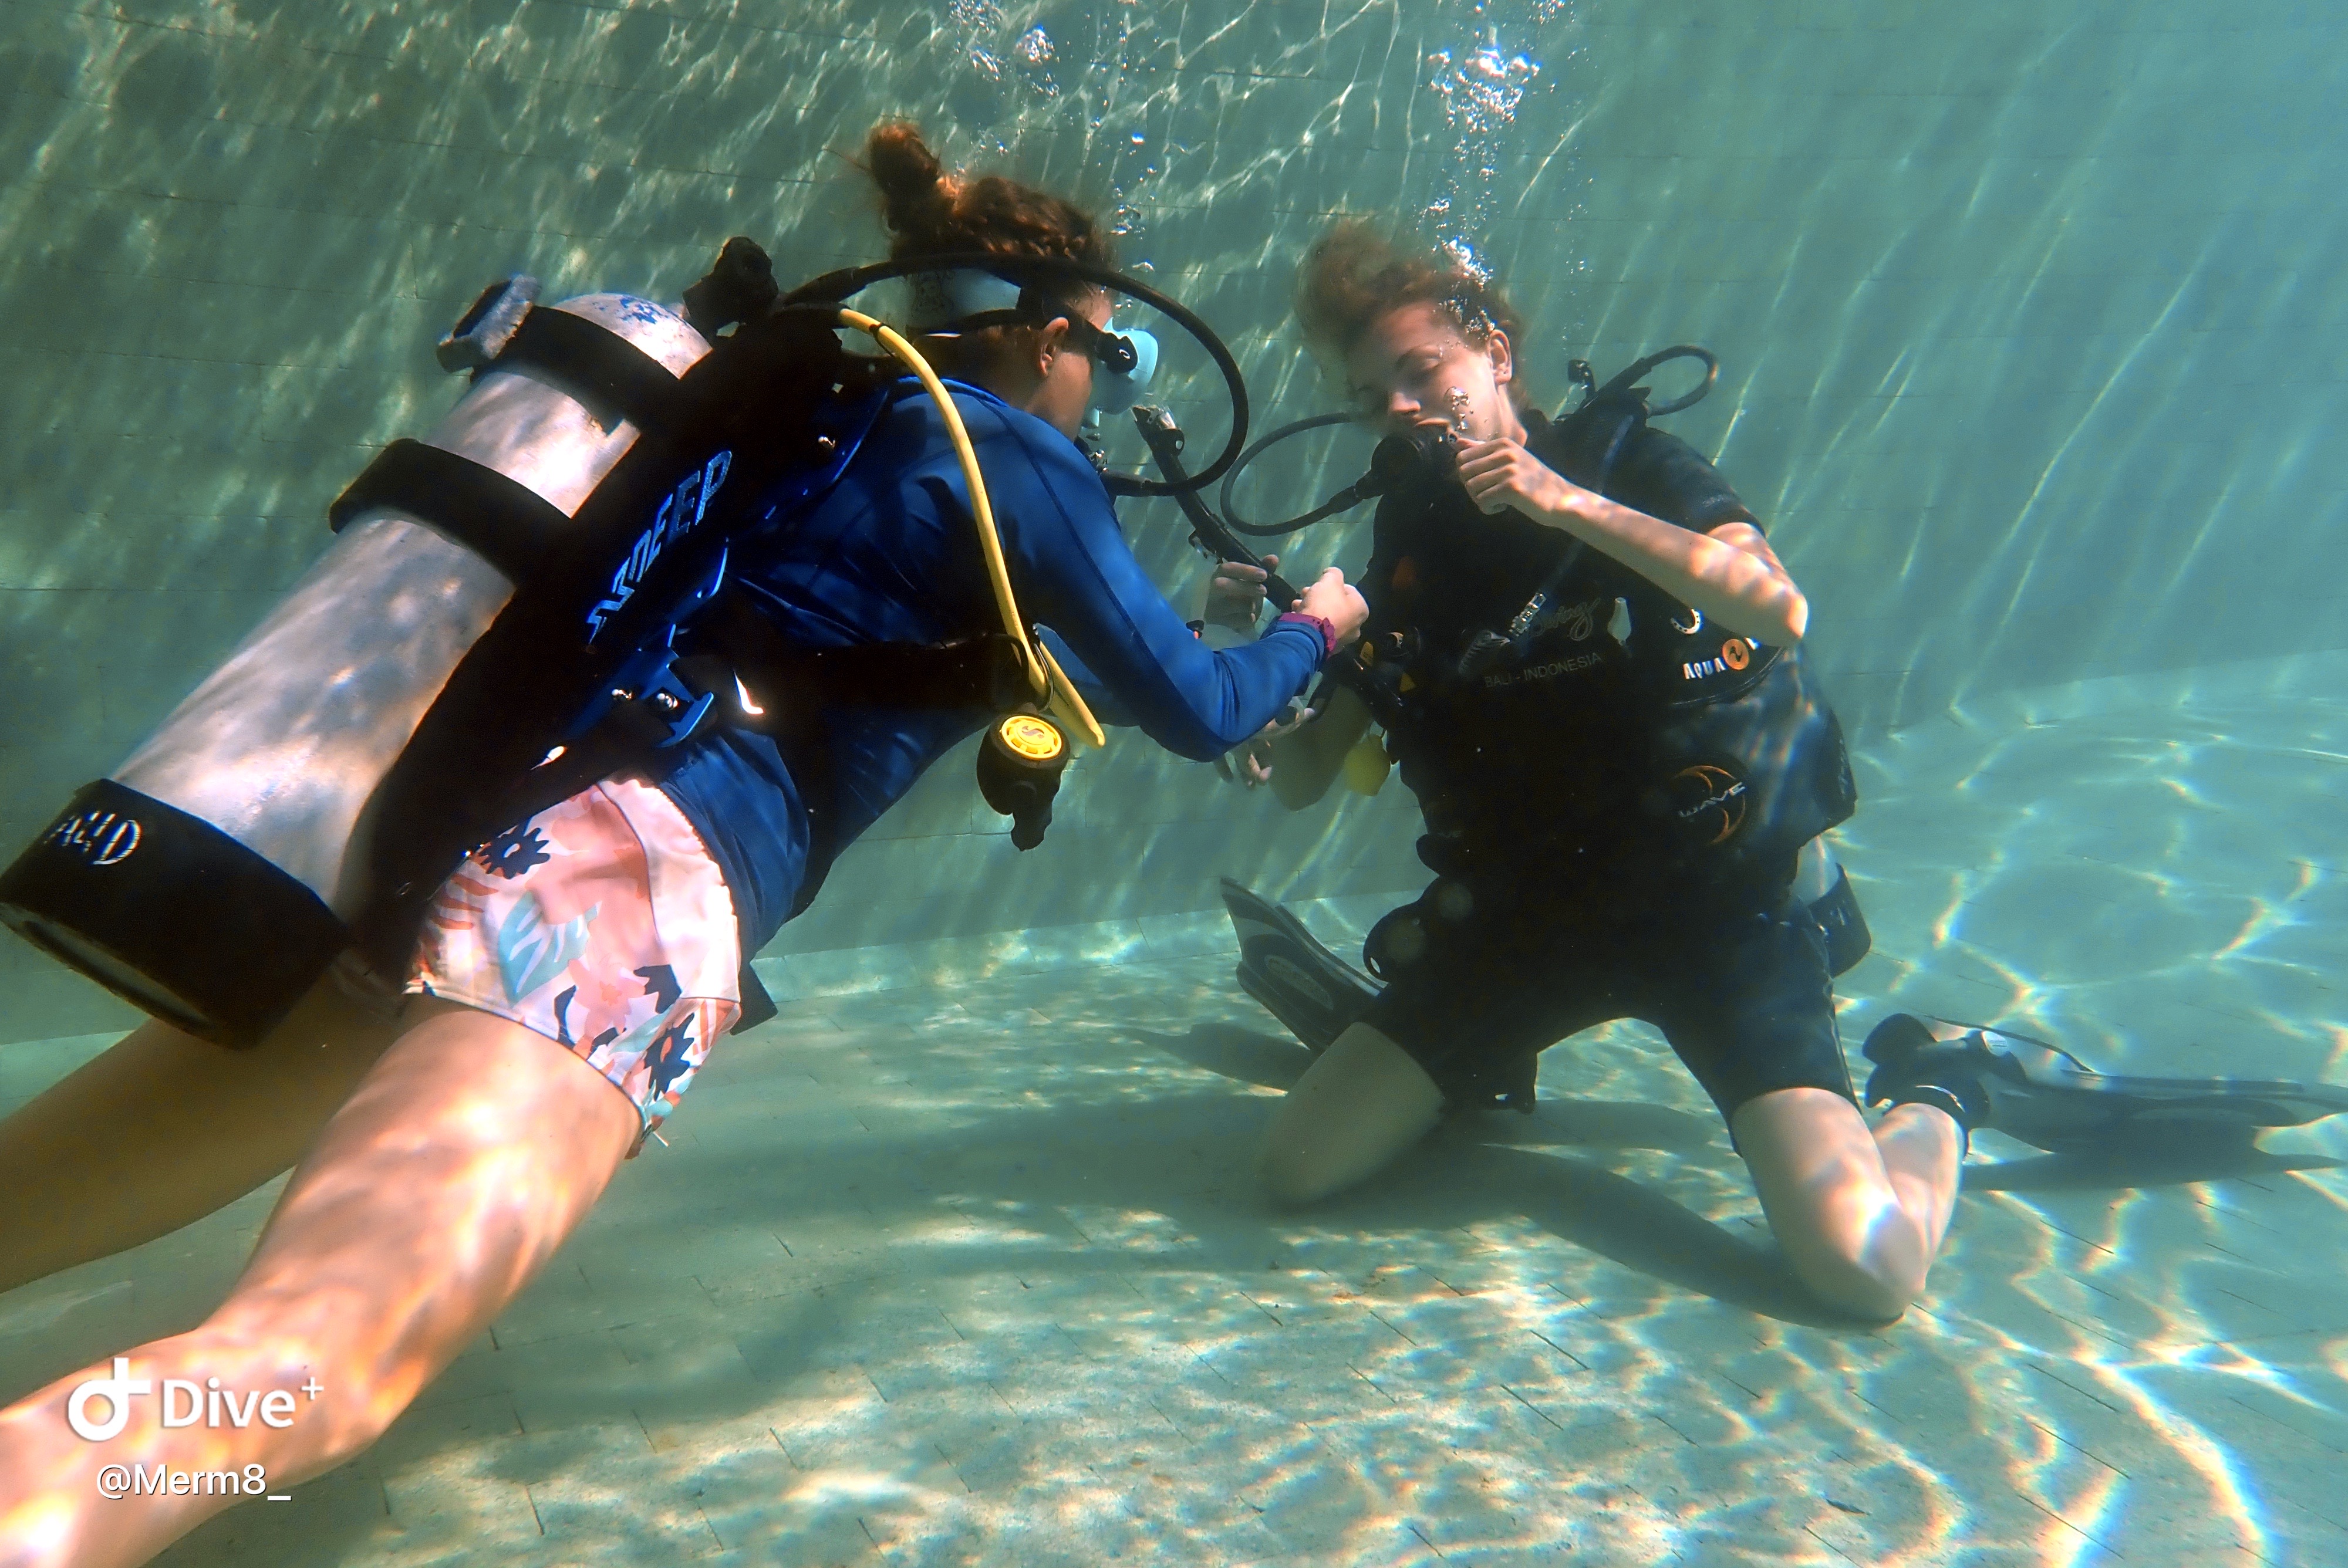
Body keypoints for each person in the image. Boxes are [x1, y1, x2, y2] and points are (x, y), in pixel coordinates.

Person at [0, 123, 1367, 1568]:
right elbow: (1208, 710)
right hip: (629, 899)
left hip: (461, 828)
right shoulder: (1020, 460)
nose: (1105, 393)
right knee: (301, 1373)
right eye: (1114, 360)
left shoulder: (819, 416)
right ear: (1046, 340)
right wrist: (1316, 626)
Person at [1212, 223, 1963, 1323]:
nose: (1406, 411)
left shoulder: (1622, 459)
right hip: (1529, 917)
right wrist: (1274, 657)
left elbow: (1774, 604)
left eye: (1425, 374)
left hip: (1717, 911)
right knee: (1295, 1170)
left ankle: (1939, 1076)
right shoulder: (1405, 545)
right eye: (1375, 398)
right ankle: (1467, 1063)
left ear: (1495, 353)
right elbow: (1300, 782)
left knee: (1868, 1275)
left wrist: (1559, 504)